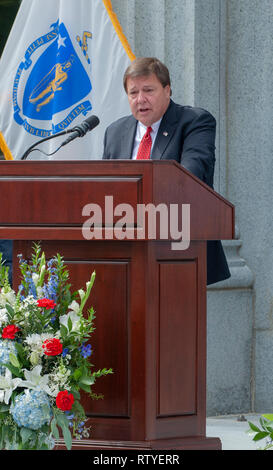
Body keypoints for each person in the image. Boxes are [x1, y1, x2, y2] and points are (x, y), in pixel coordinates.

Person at [103, 57, 230, 285]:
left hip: (180, 247)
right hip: (124, 251)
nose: (140, 99)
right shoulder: (115, 131)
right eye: (133, 93)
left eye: (148, 90)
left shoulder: (194, 122)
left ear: (167, 90)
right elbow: (105, 186)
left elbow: (189, 175)